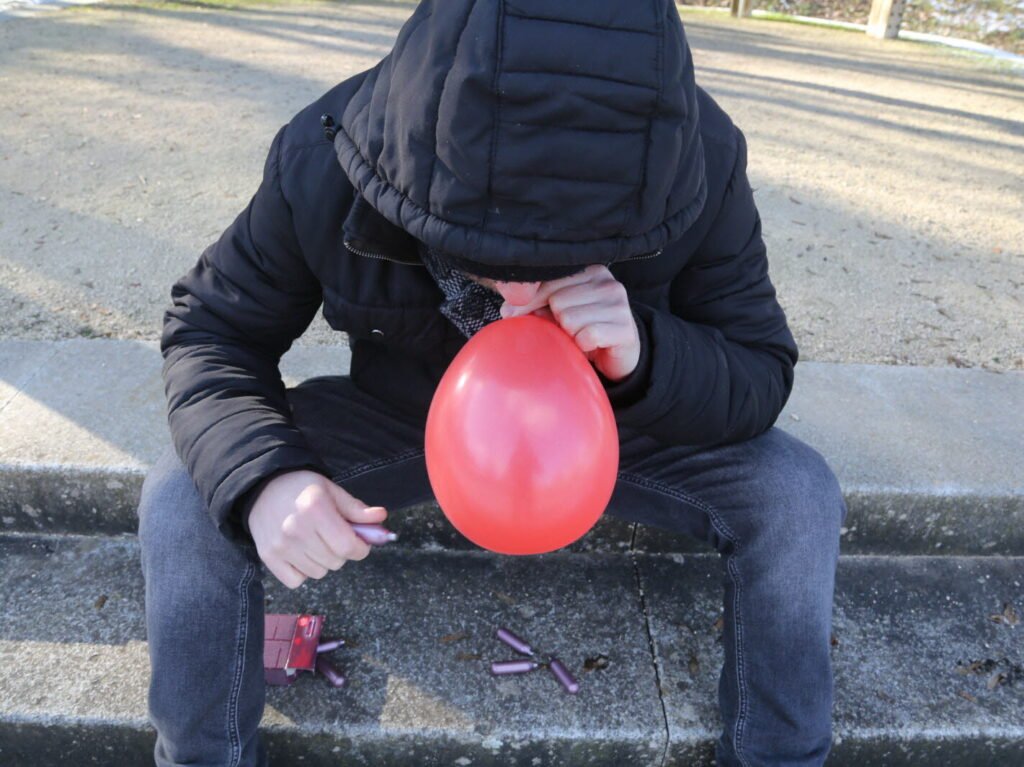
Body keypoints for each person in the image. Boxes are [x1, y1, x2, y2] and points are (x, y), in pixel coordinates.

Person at [137, 1, 847, 765]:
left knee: (796, 493)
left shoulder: (698, 155)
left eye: (561, 265)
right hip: (405, 413)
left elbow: (758, 365)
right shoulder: (332, 152)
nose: (517, 297)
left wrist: (646, 354)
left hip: (621, 425)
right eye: (483, 256)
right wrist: (264, 478)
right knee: (185, 496)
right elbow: (212, 329)